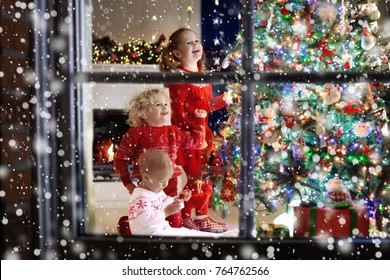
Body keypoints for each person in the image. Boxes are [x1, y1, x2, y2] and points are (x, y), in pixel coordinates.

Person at [160, 27, 230, 233]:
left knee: (204, 176)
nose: (196, 45)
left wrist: (227, 99)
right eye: (189, 43)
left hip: (204, 134)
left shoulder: (203, 75)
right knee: (197, 178)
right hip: (187, 137)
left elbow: (208, 105)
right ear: (177, 53)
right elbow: (178, 112)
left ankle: (196, 216)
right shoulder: (179, 78)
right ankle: (187, 215)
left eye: (197, 41)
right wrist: (192, 133)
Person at [114, 88, 207, 228]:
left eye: (166, 104)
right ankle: (129, 224)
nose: (164, 106)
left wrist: (200, 120)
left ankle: (130, 224)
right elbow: (120, 159)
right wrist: (128, 184)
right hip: (147, 185)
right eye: (158, 104)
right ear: (143, 113)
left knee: (175, 223)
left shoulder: (173, 132)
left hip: (171, 183)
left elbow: (198, 142)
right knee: (149, 222)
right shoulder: (135, 134)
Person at [128, 149, 237, 237]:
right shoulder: (140, 197)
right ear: (146, 177)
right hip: (149, 236)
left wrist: (179, 200)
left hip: (161, 230)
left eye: (167, 180)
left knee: (188, 233)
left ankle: (217, 238)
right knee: (184, 238)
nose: (166, 184)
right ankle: (214, 240)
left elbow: (168, 202)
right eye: (162, 181)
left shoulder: (155, 191)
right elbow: (146, 220)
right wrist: (166, 212)